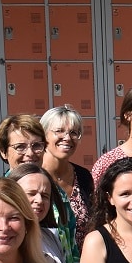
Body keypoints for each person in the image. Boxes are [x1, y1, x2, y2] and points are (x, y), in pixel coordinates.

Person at [39, 105, 95, 251]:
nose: (67, 138)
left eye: (74, 133)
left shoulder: (83, 176)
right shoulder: (33, 177)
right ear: (44, 135)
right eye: (59, 131)